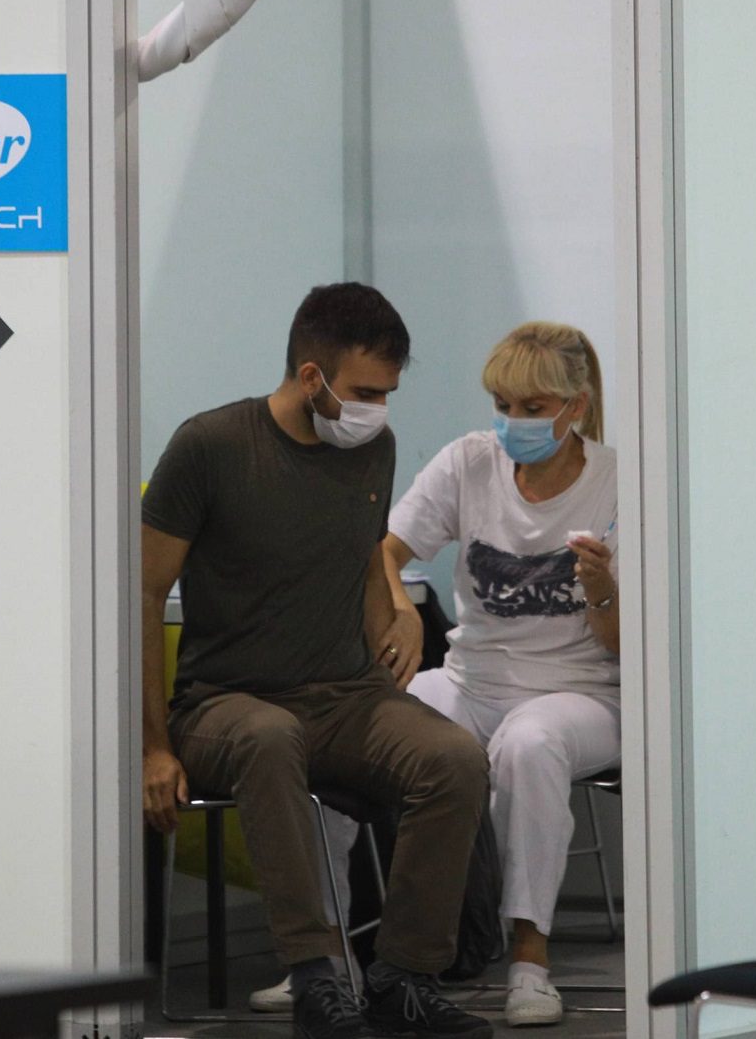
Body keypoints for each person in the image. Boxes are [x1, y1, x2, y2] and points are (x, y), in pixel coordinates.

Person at [141, 282, 494, 1039]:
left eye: (388, 393)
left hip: (345, 695)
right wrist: (153, 747)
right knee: (271, 737)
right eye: (365, 392)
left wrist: (397, 609)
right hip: (224, 702)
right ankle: (316, 976)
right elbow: (141, 594)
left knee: (454, 758)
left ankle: (403, 976)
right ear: (311, 377)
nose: (378, 410)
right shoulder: (209, 446)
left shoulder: (373, 449)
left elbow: (364, 554)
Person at [386, 322, 620, 1028]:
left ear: (575, 407)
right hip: (470, 679)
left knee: (530, 741)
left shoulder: (619, 482)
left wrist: (601, 588)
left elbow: (625, 650)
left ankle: (529, 961)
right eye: (502, 405)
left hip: (582, 691)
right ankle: (325, 956)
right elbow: (385, 552)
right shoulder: (468, 462)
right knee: (361, 725)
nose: (513, 422)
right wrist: (399, 609)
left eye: (532, 407)